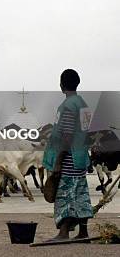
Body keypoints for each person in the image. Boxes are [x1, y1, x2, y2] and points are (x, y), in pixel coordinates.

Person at [43, 69, 93, 241]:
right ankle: (83, 232)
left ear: (61, 85)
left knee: (65, 194)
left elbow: (67, 135)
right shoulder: (84, 105)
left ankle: (63, 233)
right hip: (80, 158)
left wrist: (58, 162)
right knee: (80, 193)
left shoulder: (68, 105)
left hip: (68, 158)